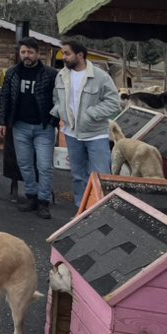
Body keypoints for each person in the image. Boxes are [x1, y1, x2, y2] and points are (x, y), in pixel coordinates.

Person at [52, 39, 120, 209]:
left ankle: (102, 209)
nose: (64, 57)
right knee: (78, 175)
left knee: (100, 175)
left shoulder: (100, 76)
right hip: (71, 133)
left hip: (95, 134)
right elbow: (56, 98)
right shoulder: (61, 76)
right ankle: (81, 209)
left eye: (67, 53)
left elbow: (113, 102)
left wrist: (91, 114)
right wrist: (60, 112)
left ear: (80, 55)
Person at [0, 37, 58, 219]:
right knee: (24, 163)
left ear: (38, 54)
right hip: (20, 126)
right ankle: (31, 196)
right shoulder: (13, 73)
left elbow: (58, 100)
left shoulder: (50, 74)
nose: (26, 55)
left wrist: (54, 122)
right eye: (23, 52)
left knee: (44, 166)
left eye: (30, 52)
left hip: (43, 127)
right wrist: (2, 121)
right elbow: (5, 97)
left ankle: (44, 201)